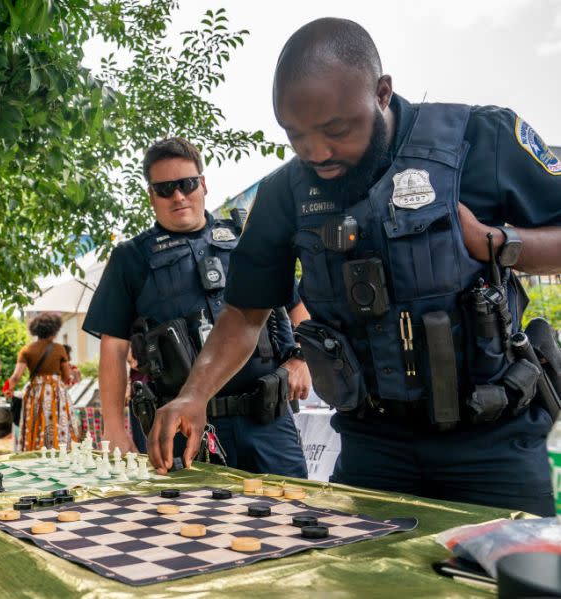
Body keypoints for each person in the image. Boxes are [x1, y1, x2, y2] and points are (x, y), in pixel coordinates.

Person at [147, 18, 561, 516]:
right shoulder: (286, 193)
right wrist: (194, 395)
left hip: (493, 449)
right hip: (372, 452)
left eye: (336, 131)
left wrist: (500, 243)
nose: (317, 153)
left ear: (382, 93)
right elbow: (243, 315)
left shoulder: (478, 141)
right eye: (296, 136)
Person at [83, 136, 309, 477]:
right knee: (185, 527)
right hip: (180, 430)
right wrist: (114, 427)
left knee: (288, 517)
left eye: (187, 184)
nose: (178, 196)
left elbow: (296, 306)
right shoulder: (130, 258)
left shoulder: (246, 239)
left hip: (267, 421)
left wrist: (300, 357)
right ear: (151, 196)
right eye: (165, 189)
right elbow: (113, 349)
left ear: (203, 184)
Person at [6, 312, 79, 451]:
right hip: (55, 391)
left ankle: (35, 448)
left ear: (36, 330)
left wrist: (9, 390)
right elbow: (67, 375)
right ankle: (59, 448)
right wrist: (60, 382)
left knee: (36, 421)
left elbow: (16, 376)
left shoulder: (26, 350)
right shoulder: (59, 348)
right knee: (57, 421)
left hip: (35, 391)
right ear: (54, 330)